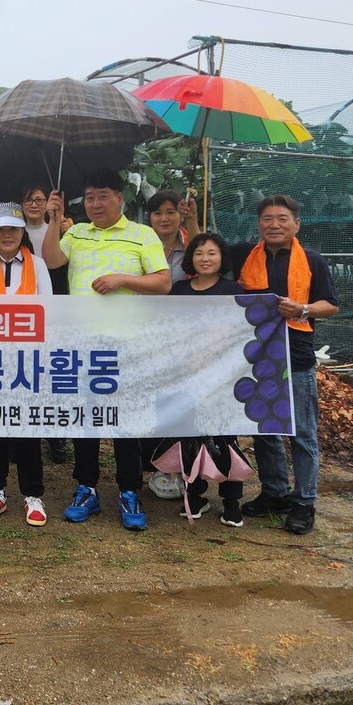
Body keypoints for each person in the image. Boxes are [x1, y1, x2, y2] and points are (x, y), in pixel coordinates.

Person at [41, 168, 171, 532]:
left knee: (125, 421)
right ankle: (86, 488)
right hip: (84, 344)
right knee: (86, 420)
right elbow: (51, 260)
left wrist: (123, 279)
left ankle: (130, 491)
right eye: (90, 198)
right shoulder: (77, 232)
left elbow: (162, 282)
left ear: (119, 199)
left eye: (102, 196)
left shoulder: (141, 235)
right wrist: (53, 220)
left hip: (127, 346)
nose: (95, 204)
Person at [232, 195, 339, 535]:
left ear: (296, 224)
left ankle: (304, 501)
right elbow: (205, 254)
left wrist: (302, 309)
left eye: (281, 219)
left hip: (297, 356)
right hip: (258, 357)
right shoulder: (246, 257)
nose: (274, 224)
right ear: (258, 223)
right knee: (265, 429)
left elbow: (331, 305)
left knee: (303, 433)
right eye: (267, 218)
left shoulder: (312, 260)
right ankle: (275, 491)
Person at [0, 202, 52, 527]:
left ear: (22, 233)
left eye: (12, 229)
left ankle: (33, 494)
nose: (6, 234)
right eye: (0, 229)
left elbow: (48, 308)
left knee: (28, 426)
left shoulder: (38, 265)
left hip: (26, 359)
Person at [167, 232, 247, 526]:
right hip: (189, 377)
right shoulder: (178, 290)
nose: (205, 258)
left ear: (221, 257)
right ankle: (195, 496)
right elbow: (169, 332)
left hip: (224, 377)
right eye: (199, 253)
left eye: (212, 253)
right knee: (190, 437)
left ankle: (231, 500)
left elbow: (241, 331)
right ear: (191, 258)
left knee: (227, 437)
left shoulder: (233, 289)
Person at [142, 188, 200, 500]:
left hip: (183, 335)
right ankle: (156, 466)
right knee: (153, 399)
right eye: (157, 213)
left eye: (169, 212)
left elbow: (202, 263)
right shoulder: (140, 243)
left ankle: (181, 469)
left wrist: (193, 221)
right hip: (148, 333)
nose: (164, 218)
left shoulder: (191, 246)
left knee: (181, 400)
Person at [20, 182, 72, 463]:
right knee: (26, 371)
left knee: (54, 371)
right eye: (29, 200)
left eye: (40, 199)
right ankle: (23, 436)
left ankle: (56, 437)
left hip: (55, 308)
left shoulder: (64, 230)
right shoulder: (14, 231)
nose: (35, 204)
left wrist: (61, 227)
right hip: (24, 312)